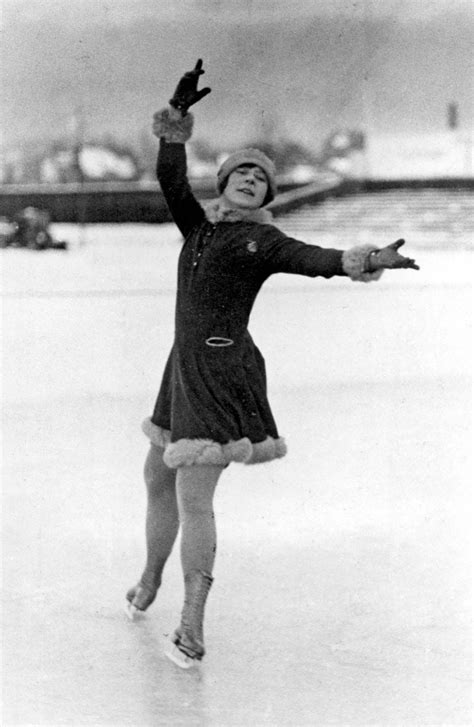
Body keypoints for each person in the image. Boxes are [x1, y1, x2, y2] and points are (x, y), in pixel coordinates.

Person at [126, 60, 419, 668]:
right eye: (243, 173)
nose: (253, 181)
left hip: (218, 371)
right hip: (180, 368)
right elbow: (168, 174)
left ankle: (191, 623)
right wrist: (176, 117)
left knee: (194, 496)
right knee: (158, 476)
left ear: (267, 194)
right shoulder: (199, 229)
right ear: (225, 181)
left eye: (263, 178)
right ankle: (151, 579)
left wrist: (365, 258)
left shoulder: (264, 241)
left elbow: (316, 256)